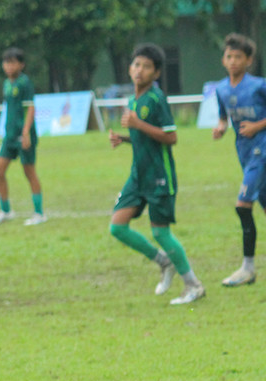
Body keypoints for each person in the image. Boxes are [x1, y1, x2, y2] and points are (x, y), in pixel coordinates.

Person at [108, 43, 205, 306]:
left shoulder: (156, 99)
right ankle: (163, 262)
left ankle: (193, 285)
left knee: (161, 232)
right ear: (130, 68)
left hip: (159, 176)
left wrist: (139, 124)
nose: (140, 70)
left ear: (156, 73)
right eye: (137, 65)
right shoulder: (134, 100)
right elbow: (144, 136)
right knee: (117, 226)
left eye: (147, 66)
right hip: (138, 175)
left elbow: (171, 137)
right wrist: (125, 138)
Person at [212, 33, 266, 287]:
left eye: (238, 57)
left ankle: (247, 269)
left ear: (249, 60)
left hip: (260, 154)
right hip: (243, 153)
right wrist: (220, 128)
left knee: (243, 206)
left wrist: (259, 126)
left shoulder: (258, 85)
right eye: (229, 56)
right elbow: (223, 116)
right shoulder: (221, 89)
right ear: (223, 59)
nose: (233, 61)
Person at [0, 47, 46, 226]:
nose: (9, 66)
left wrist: (26, 132)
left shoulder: (24, 83)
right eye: (6, 62)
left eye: (13, 62)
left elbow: (30, 108)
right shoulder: (7, 84)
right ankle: (6, 211)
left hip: (23, 135)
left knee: (29, 172)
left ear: (21, 64)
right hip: (9, 136)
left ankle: (39, 214)